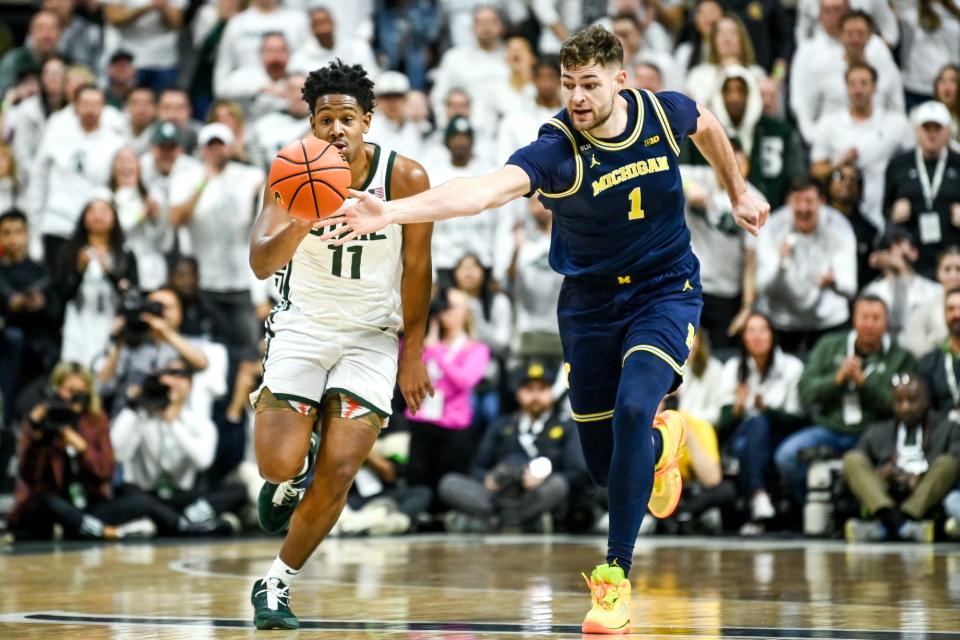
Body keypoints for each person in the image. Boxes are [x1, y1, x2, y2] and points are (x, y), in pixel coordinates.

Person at [323, 26, 769, 634]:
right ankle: (665, 448)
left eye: (590, 84)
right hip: (588, 305)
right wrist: (391, 211)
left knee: (636, 406)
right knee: (604, 469)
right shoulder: (557, 149)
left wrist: (737, 190)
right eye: (568, 85)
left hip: (666, 289)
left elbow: (710, 126)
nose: (578, 98)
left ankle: (614, 578)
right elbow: (479, 193)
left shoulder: (664, 113)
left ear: (621, 79)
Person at [245, 60, 434, 630]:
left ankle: (276, 583)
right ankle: (292, 475)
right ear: (311, 123)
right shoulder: (288, 170)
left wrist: (414, 351)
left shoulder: (407, 178)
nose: (335, 128)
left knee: (344, 463)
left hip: (371, 335)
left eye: (346, 117)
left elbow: (419, 267)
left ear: (367, 122)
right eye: (324, 117)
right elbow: (259, 262)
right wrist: (305, 215)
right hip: (302, 326)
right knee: (275, 463)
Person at [774, 295, 914, 506]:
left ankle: (866, 511)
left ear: (887, 322)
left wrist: (864, 385)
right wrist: (836, 380)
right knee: (787, 456)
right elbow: (806, 392)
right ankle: (815, 510)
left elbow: (900, 408)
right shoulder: (829, 346)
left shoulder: (901, 357)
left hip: (875, 433)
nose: (869, 324)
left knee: (903, 464)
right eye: (864, 317)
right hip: (830, 428)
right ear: (854, 319)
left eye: (876, 318)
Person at [7, 362, 157, 541]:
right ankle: (108, 532)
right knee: (51, 503)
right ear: (55, 389)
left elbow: (106, 473)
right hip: (49, 506)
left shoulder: (96, 420)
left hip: (86, 503)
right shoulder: (40, 420)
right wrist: (38, 437)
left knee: (138, 501)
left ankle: (181, 524)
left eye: (81, 393)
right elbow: (29, 477)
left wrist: (83, 449)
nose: (75, 399)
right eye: (70, 391)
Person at [438, 360, 587, 532]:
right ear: (518, 393)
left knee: (558, 485)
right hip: (498, 494)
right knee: (448, 483)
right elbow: (477, 467)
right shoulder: (501, 425)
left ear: (551, 393)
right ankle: (522, 522)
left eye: (542, 390)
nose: (535, 396)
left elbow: (577, 473)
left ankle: (492, 521)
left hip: (536, 494)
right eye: (529, 390)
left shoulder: (565, 427)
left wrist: (543, 476)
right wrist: (489, 478)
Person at [717, 312, 805, 532]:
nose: (757, 336)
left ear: (773, 335)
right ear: (744, 338)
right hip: (742, 433)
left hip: (779, 434)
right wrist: (736, 410)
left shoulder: (792, 367)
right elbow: (722, 423)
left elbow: (798, 419)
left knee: (752, 433)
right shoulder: (733, 368)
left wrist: (767, 410)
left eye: (763, 329)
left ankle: (756, 507)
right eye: (751, 330)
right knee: (750, 432)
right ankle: (759, 501)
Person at [843, 375, 960, 542]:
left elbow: (955, 460)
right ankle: (899, 523)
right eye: (899, 402)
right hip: (885, 493)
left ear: (926, 400)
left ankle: (889, 525)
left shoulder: (948, 428)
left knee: (948, 463)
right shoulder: (877, 431)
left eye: (912, 401)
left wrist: (922, 476)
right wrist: (880, 474)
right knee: (852, 459)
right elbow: (860, 465)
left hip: (923, 492)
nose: (905, 407)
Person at [755, 177, 858, 354]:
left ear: (822, 202)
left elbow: (850, 289)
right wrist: (780, 266)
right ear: (788, 202)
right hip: (783, 321)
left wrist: (833, 282)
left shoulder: (840, 228)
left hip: (828, 321)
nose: (803, 208)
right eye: (797, 201)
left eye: (809, 201)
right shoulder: (773, 227)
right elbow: (763, 286)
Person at [810, 61, 912, 228]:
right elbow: (816, 171)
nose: (858, 89)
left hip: (880, 214)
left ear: (874, 87)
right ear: (846, 87)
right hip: (839, 214)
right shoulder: (829, 123)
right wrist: (840, 163)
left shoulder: (895, 124)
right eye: (852, 84)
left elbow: (913, 159)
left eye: (864, 83)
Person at [883, 100, 960, 278]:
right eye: (927, 128)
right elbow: (885, 210)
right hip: (912, 253)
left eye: (937, 128)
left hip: (954, 257)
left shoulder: (958, 164)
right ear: (917, 131)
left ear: (947, 131)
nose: (931, 134)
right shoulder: (899, 165)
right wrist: (894, 215)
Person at [862, 229, 942, 338]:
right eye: (889, 247)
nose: (896, 250)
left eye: (900, 244)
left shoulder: (934, 290)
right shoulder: (873, 292)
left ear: (914, 252)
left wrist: (902, 272)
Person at [903, 247, 960, 358]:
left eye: (958, 269)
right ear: (938, 273)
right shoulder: (926, 308)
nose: (953, 275)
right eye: (947, 269)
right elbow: (914, 341)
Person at [916, 287, 960, 415]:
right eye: (950, 309)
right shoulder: (930, 361)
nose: (956, 314)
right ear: (944, 314)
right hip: (944, 430)